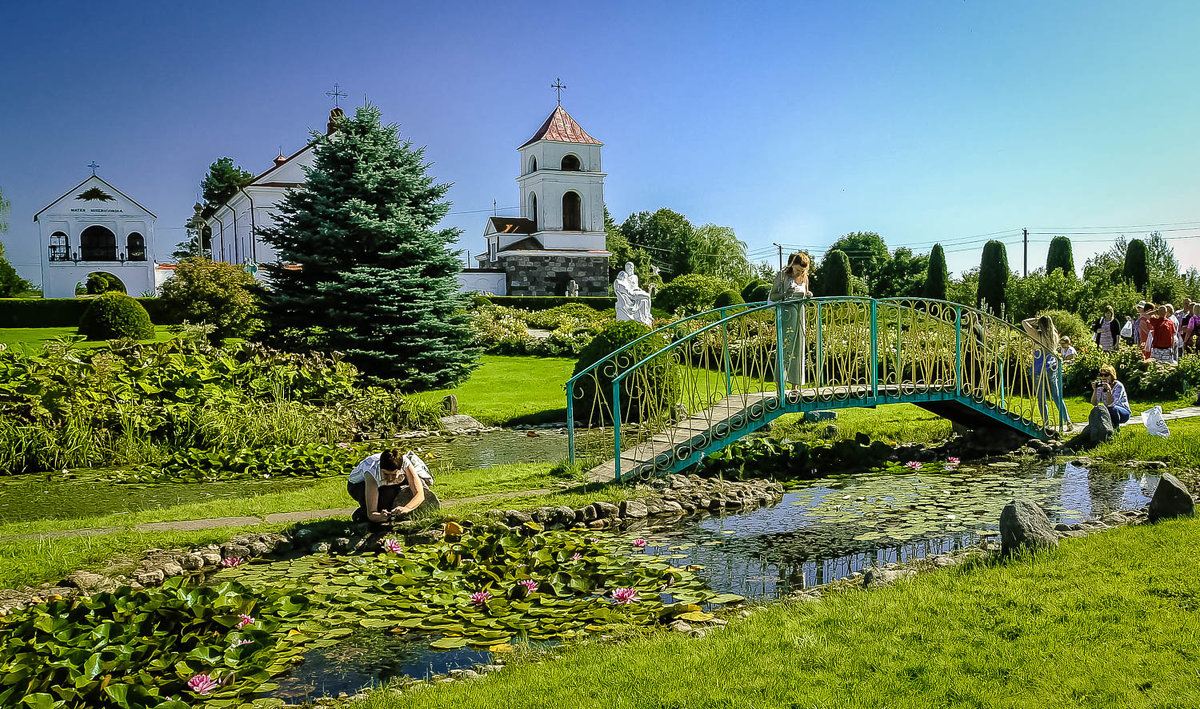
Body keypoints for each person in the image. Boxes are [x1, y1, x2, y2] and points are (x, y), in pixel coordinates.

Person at [347, 449, 433, 524]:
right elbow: (372, 513)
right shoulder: (371, 472)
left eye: (393, 474)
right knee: (387, 495)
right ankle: (361, 513)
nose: (390, 478)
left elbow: (420, 494)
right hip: (358, 486)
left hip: (393, 480)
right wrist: (380, 516)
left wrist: (407, 508)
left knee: (421, 482)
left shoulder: (405, 463)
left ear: (400, 469)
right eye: (386, 474)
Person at [768, 252, 812, 388]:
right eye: (798, 269)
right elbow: (773, 296)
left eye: (802, 270)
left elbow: (804, 294)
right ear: (792, 264)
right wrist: (784, 294)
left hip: (800, 315)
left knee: (798, 348)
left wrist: (808, 295)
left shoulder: (805, 278)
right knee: (785, 349)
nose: (799, 272)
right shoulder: (782, 276)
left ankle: (795, 386)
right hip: (786, 315)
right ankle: (780, 386)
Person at [1022, 315, 1072, 429]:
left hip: (1038, 367)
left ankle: (1046, 423)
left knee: (1041, 397)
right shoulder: (1054, 336)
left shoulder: (1036, 335)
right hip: (1051, 366)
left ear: (1041, 325)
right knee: (1057, 396)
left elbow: (1024, 322)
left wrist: (1035, 319)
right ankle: (1067, 421)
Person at [1090, 364, 1131, 432]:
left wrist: (1109, 390)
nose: (1103, 377)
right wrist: (1095, 390)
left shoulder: (1118, 386)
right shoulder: (1101, 385)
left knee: (1112, 409)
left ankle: (1115, 430)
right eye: (1101, 375)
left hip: (1123, 412)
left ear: (1112, 376)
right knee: (1097, 410)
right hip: (1109, 410)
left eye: (1106, 375)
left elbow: (1111, 404)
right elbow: (1094, 403)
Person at [613, 262, 652, 326]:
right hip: (632, 294)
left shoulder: (635, 277)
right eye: (628, 267)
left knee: (645, 299)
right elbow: (626, 290)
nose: (630, 269)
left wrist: (639, 290)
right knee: (647, 296)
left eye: (631, 267)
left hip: (635, 291)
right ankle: (648, 315)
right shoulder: (624, 278)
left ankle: (647, 315)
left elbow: (635, 286)